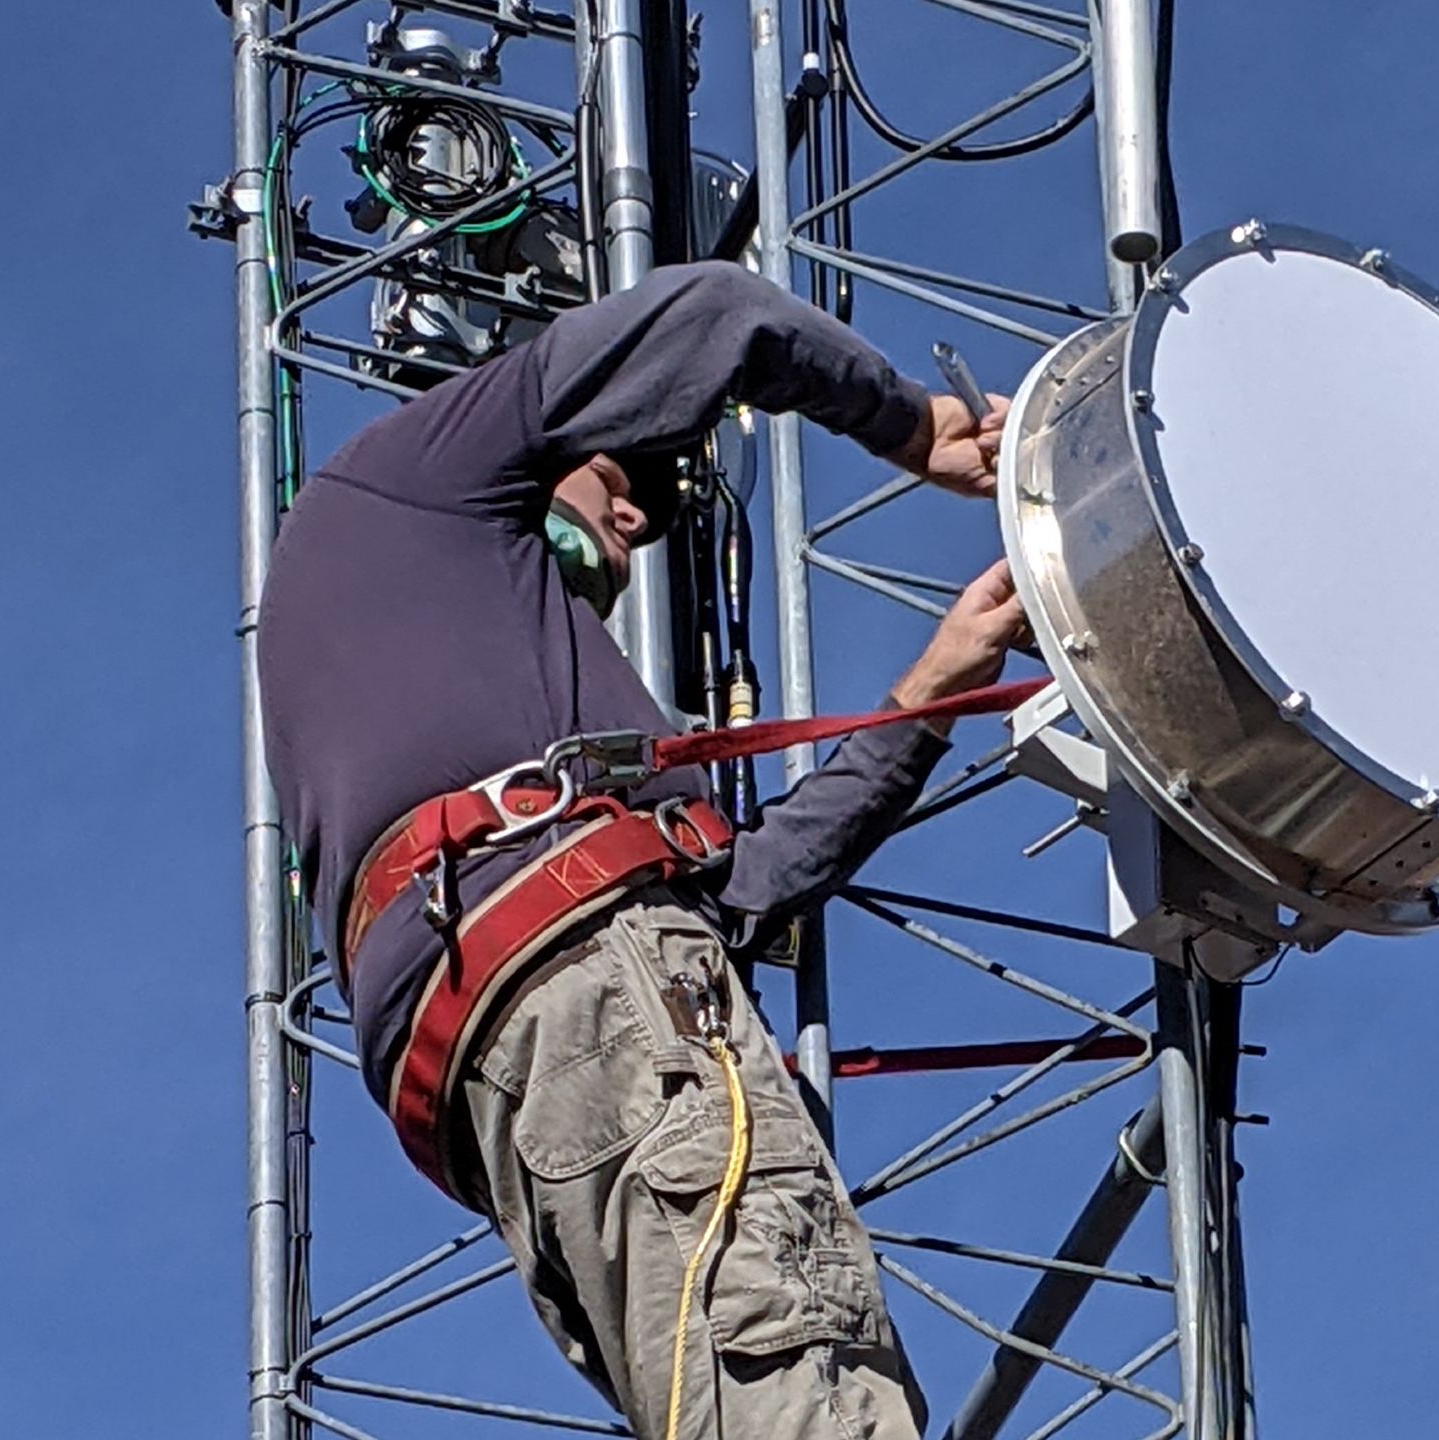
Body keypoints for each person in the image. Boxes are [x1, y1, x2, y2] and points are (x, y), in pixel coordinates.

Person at [256, 259, 1030, 1439]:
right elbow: (717, 314)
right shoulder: (402, 483)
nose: (637, 517)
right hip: (595, 1005)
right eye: (621, 479)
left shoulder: (480, 709)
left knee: (724, 1394)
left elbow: (740, 896)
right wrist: (911, 426)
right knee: (799, 1388)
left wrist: (925, 700)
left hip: (522, 1081)